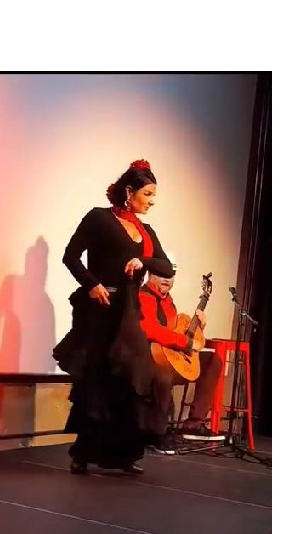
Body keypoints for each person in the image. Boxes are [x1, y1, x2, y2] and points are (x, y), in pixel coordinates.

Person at [53, 159, 176, 474]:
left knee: (131, 379)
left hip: (129, 313)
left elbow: (165, 266)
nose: (151, 202)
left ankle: (124, 455)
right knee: (97, 379)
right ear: (129, 191)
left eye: (153, 196)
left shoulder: (145, 231)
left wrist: (144, 261)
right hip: (101, 309)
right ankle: (83, 453)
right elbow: (70, 256)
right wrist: (91, 284)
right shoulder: (99, 218)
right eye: (147, 195)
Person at [138, 272, 224, 439]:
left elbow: (176, 333)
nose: (166, 279)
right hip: (149, 359)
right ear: (150, 275)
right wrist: (187, 342)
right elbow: (153, 331)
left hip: (172, 358)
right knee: (163, 374)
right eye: (161, 275)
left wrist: (200, 327)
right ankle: (157, 432)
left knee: (213, 360)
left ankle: (194, 423)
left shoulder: (169, 303)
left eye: (170, 276)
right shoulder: (144, 297)